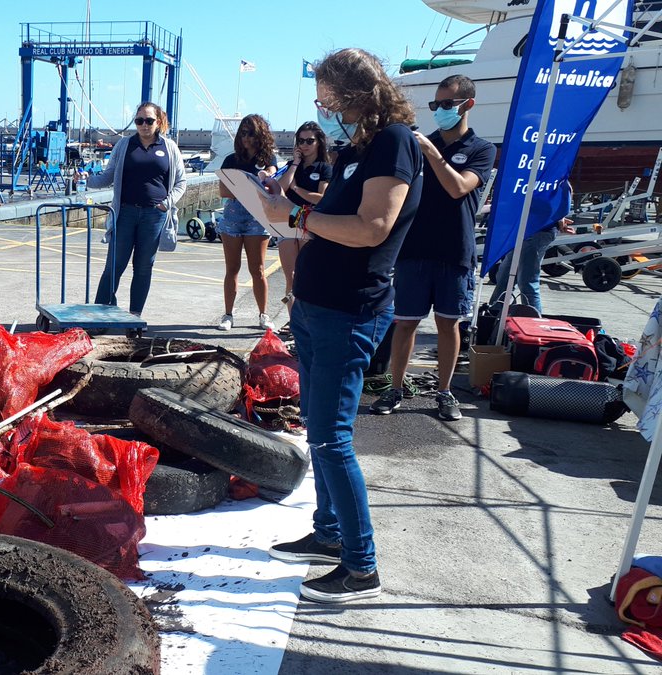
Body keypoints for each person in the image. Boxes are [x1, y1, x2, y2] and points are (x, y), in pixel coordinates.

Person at [257, 48, 423, 603]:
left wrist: (297, 216)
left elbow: (372, 228)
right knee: (320, 429)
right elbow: (336, 215)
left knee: (332, 439)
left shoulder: (395, 143)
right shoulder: (359, 148)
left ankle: (361, 567)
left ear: (356, 93)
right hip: (316, 306)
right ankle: (329, 534)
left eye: (327, 96)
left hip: (348, 311)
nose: (320, 107)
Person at [370, 74, 495, 422]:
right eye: (435, 105)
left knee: (447, 324)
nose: (439, 111)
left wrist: (432, 153)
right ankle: (395, 388)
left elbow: (459, 188)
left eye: (446, 105)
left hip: (454, 250)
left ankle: (444, 392)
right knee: (405, 322)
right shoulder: (420, 145)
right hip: (414, 249)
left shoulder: (481, 149)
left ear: (467, 104)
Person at [87, 102, 187, 317]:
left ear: (158, 122)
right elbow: (108, 176)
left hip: (154, 216)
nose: (143, 125)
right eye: (139, 120)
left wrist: (166, 204)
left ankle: (134, 317)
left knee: (143, 268)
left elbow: (181, 182)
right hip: (125, 213)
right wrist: (87, 181)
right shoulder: (124, 145)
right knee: (114, 266)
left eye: (149, 120)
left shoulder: (169, 148)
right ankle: (99, 316)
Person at [215, 113, 278, 331]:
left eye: (251, 134)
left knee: (258, 269)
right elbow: (223, 190)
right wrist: (251, 187)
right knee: (232, 268)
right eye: (243, 133)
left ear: (260, 135)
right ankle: (228, 315)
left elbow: (270, 176)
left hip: (257, 218)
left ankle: (263, 314)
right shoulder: (231, 160)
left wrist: (246, 184)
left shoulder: (268, 159)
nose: (247, 139)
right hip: (233, 217)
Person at [275, 121, 333, 307]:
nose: (304, 145)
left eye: (309, 141)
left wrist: (297, 189)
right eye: (300, 141)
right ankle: (293, 323)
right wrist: (295, 164)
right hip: (288, 219)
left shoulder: (324, 167)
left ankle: (306, 322)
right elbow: (280, 189)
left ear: (319, 142)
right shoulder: (293, 166)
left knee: (307, 276)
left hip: (310, 220)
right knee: (291, 277)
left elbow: (321, 198)